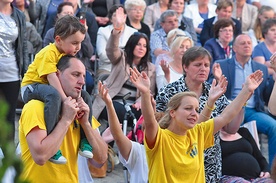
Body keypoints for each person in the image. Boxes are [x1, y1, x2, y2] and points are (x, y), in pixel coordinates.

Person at [129, 65, 263, 182]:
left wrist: (246, 90)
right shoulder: (160, 138)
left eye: (197, 110)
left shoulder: (197, 133)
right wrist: (145, 93)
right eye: (188, 108)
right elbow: (150, 121)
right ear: (172, 113)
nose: (194, 113)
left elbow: (225, 116)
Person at [155, 46, 244, 182]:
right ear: (185, 67)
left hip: (209, 161)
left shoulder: (215, 92)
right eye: (198, 65)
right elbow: (160, 127)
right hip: (178, 159)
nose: (203, 68)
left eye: (206, 65)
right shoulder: (169, 92)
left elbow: (231, 128)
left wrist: (243, 100)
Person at [19, 55, 108, 183]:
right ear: (57, 75)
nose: (82, 81)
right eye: (76, 74)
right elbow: (41, 157)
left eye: (83, 76)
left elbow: (101, 158)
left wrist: (86, 125)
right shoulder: (35, 107)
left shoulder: (82, 110)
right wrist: (66, 120)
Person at [21, 15, 93, 164]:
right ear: (59, 40)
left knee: (85, 96)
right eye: (74, 43)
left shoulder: (65, 54)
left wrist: (78, 97)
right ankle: (51, 143)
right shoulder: (49, 52)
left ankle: (86, 140)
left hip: (45, 87)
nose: (78, 47)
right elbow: (52, 78)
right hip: (30, 87)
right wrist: (66, 100)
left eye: (80, 43)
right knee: (54, 95)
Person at [215, 34, 276, 166]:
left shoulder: (262, 68)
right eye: (243, 43)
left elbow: (267, 95)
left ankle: (272, 170)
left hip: (254, 110)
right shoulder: (222, 65)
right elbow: (212, 89)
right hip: (232, 109)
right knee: (234, 125)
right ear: (234, 48)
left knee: (274, 127)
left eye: (249, 43)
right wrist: (217, 78)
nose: (247, 45)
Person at [93, 7, 156, 127]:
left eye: (144, 46)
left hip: (134, 105)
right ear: (132, 45)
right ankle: (106, 143)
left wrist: (139, 102)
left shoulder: (150, 68)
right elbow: (111, 50)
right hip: (113, 100)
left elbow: (149, 91)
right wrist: (117, 29)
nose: (141, 48)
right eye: (138, 44)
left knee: (141, 114)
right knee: (117, 111)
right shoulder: (121, 58)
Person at [43, 2, 95, 94]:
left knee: (89, 84)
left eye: (71, 13)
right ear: (58, 15)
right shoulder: (51, 33)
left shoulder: (80, 32)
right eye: (66, 13)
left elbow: (89, 52)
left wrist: (85, 34)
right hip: (57, 69)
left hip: (80, 68)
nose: (69, 16)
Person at [0, 0, 28, 142]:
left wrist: (25, 72)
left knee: (9, 117)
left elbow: (23, 45)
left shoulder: (19, 16)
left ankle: (8, 158)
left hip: (11, 73)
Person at [96, 4, 137, 80]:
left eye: (121, 15)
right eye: (115, 15)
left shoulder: (134, 32)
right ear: (111, 19)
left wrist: (117, 54)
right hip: (107, 69)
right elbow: (102, 55)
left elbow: (135, 56)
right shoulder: (103, 31)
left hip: (129, 69)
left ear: (125, 17)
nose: (119, 17)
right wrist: (123, 56)